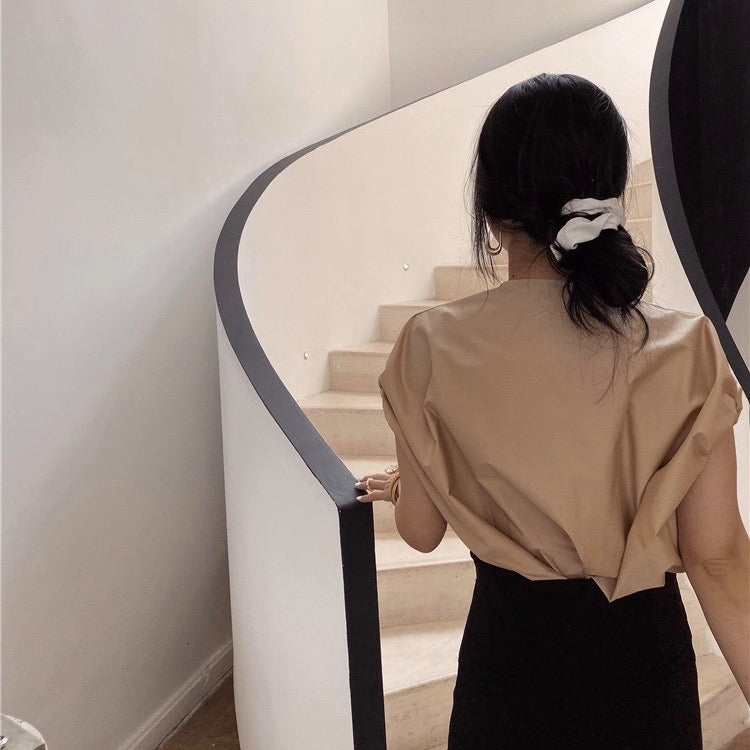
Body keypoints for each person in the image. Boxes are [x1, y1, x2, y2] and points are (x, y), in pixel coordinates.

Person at [354, 72, 749, 748]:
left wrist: (401, 486)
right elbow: (715, 558)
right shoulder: (685, 348)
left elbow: (420, 531)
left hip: (507, 672)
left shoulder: (429, 345)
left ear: (490, 210)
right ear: (612, 197)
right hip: (643, 676)